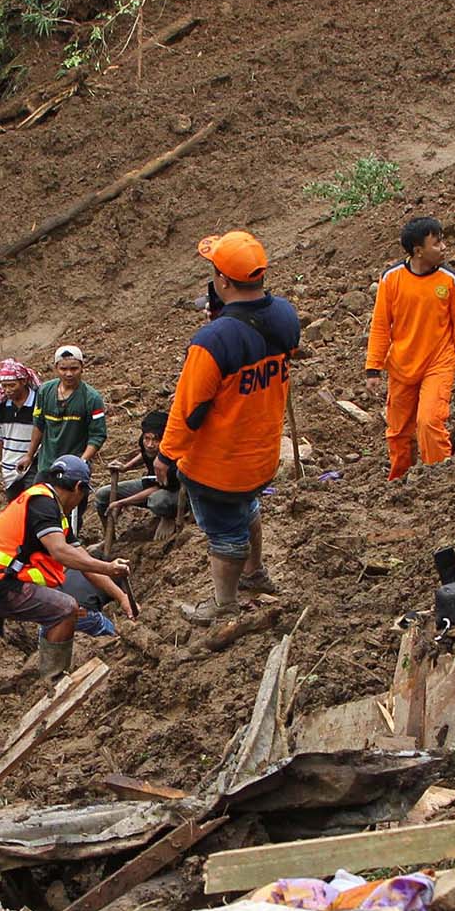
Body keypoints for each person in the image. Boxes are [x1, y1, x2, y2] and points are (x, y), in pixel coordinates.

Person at [163, 230, 300, 640]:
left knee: (224, 531)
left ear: (222, 281)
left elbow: (189, 408)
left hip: (218, 463)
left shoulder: (212, 340)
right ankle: (255, 572)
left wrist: (167, 456)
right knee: (248, 508)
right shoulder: (286, 317)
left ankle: (224, 606)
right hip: (261, 453)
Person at [0, 455, 132, 688]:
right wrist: (108, 567)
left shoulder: (44, 505)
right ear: (79, 488)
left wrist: (121, 597)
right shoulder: (44, 503)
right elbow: (60, 551)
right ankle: (54, 682)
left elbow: (82, 560)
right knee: (66, 609)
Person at [366, 216, 455, 478]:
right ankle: (399, 480)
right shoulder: (391, 279)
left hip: (438, 363)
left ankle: (439, 480)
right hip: (402, 366)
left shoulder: (450, 280)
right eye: (437, 243)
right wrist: (373, 368)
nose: (444, 247)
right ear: (418, 251)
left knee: (429, 422)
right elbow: (381, 325)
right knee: (398, 432)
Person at [91, 407, 182, 535]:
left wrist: (122, 502)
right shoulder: (145, 442)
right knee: (102, 495)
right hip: (152, 483)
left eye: (156, 440)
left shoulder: (173, 458)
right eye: (147, 439)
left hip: (173, 492)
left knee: (157, 500)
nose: (150, 444)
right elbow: (144, 453)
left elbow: (157, 488)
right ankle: (109, 537)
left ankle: (169, 516)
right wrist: (125, 467)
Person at [26, 344, 107, 479]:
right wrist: (29, 455)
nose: (69, 374)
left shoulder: (91, 398)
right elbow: (39, 425)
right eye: (63, 369)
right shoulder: (44, 392)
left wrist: (81, 462)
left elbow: (98, 435)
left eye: (74, 368)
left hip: (74, 470)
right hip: (46, 466)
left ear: (82, 368)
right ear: (56, 368)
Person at [0, 359, 39, 497]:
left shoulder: (39, 402)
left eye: (12, 385)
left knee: (33, 503)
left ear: (23, 382)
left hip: (35, 464)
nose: (7, 390)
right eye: (4, 386)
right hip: (10, 467)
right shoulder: (1, 406)